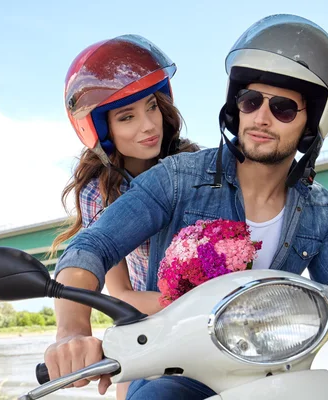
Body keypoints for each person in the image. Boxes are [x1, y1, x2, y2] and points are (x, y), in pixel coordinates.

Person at [44, 15, 328, 400]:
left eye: (283, 108)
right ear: (237, 108)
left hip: (277, 377)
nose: (261, 118)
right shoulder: (178, 177)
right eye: (251, 101)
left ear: (313, 122)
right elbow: (91, 248)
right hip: (177, 370)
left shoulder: (320, 209)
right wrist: (72, 331)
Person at [48, 34, 199, 399]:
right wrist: (191, 300)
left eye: (151, 107)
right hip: (151, 319)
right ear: (103, 129)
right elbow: (120, 292)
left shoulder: (197, 166)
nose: (148, 125)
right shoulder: (97, 192)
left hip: (224, 318)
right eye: (127, 117)